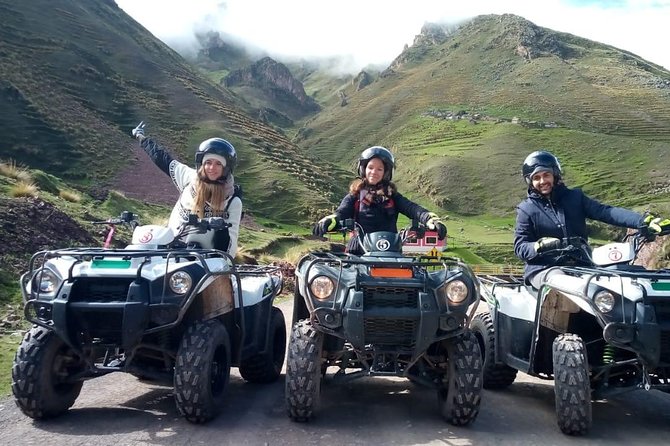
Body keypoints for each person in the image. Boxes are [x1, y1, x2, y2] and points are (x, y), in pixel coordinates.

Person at [513, 150, 669, 288]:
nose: (542, 181)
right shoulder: (526, 209)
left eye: (546, 175)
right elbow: (520, 246)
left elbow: (605, 212)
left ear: (555, 174)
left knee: (616, 286)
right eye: (536, 178)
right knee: (565, 285)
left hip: (583, 264)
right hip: (545, 269)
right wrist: (537, 246)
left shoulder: (575, 198)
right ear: (530, 182)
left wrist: (642, 221)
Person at [131, 121, 242, 257]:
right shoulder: (189, 178)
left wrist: (221, 235)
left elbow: (230, 245)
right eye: (208, 162)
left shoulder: (232, 200)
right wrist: (141, 137)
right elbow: (162, 158)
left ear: (226, 168)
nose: (212, 168)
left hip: (205, 260)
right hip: (169, 250)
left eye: (218, 163)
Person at [313, 146, 447, 254]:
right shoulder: (355, 195)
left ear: (386, 173)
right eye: (370, 167)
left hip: (391, 250)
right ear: (363, 169)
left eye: (379, 169)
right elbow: (342, 212)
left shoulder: (392, 195)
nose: (374, 172)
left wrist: (429, 218)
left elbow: (412, 208)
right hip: (359, 250)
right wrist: (330, 219)